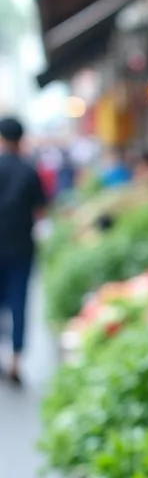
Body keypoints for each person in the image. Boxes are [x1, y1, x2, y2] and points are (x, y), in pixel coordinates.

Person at [0, 117, 47, 385]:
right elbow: (40, 211)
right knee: (18, 302)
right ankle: (15, 361)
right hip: (21, 247)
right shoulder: (29, 171)